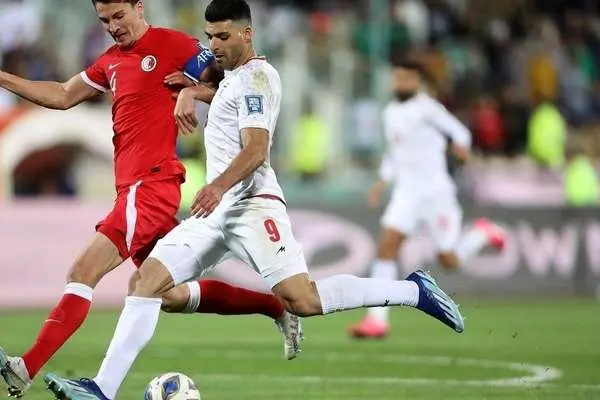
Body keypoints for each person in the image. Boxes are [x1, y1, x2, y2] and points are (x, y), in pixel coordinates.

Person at [44, 2, 464, 399]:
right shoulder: (233, 78)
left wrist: (216, 186)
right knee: (146, 283)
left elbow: (256, 149)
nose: (214, 46)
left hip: (251, 205)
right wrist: (194, 92)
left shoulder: (258, 78)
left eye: (224, 37)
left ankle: (413, 291)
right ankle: (102, 389)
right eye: (210, 36)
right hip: (214, 214)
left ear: (247, 34)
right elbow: (226, 98)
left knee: (303, 300)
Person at [0, 1, 302, 397]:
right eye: (104, 20)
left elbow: (235, 84)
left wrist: (192, 91)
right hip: (131, 190)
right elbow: (61, 94)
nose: (113, 26)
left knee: (82, 271)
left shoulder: (176, 45)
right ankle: (276, 306)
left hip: (151, 185)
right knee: (169, 294)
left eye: (119, 16)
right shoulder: (110, 61)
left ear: (138, 7)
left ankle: (25, 368)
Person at [349, 59, 506, 339]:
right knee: (386, 246)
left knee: (449, 260)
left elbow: (460, 132)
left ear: (417, 82)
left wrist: (461, 148)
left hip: (436, 194)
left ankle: (483, 233)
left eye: (407, 78)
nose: (401, 83)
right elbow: (394, 152)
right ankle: (377, 320)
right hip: (407, 193)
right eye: (398, 77)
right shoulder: (390, 113)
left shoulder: (428, 108)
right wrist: (382, 181)